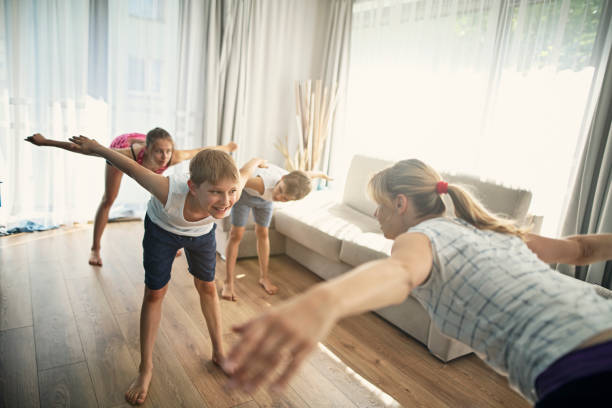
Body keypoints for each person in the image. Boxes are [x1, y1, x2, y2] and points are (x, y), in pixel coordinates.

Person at [222, 158, 612, 406]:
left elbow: (400, 273)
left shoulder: (420, 238)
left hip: (582, 367)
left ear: (401, 204)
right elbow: (579, 250)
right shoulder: (491, 230)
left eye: (378, 203)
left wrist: (324, 302)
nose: (375, 214)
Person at [57, 134, 265, 406]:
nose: (226, 201)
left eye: (232, 191)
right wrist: (96, 147)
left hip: (201, 235)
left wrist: (260, 160)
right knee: (155, 293)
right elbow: (130, 168)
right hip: (162, 230)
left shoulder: (232, 190)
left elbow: (248, 169)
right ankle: (146, 368)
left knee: (207, 286)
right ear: (192, 187)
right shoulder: (168, 190)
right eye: (215, 191)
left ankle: (219, 351)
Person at [25, 129, 238, 266]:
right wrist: (46, 142)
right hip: (119, 151)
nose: (164, 157)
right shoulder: (129, 155)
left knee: (167, 197)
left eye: (168, 151)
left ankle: (171, 243)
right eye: (159, 152)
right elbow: (84, 150)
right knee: (109, 198)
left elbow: (202, 150)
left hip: (141, 143)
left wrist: (227, 148)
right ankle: (95, 249)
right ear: (148, 149)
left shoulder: (173, 157)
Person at [222, 163, 332, 300]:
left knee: (263, 233)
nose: (279, 197)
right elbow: (235, 178)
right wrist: (255, 161)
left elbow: (308, 175)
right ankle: (228, 282)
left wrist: (321, 174)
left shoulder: (295, 182)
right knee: (236, 235)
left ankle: (264, 278)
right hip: (245, 195)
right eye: (280, 190)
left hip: (265, 202)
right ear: (282, 177)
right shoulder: (262, 183)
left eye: (285, 199)